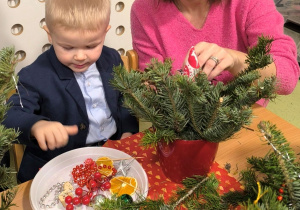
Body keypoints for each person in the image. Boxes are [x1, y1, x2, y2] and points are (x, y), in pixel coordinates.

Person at [3, 0, 139, 183]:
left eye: (91, 46)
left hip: (111, 156)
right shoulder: (34, 75)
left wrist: (128, 132)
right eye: (68, 47)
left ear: (105, 32)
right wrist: (36, 125)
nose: (80, 56)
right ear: (50, 35)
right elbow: (9, 116)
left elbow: (125, 98)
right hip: (59, 168)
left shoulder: (112, 58)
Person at [131, 0, 300, 106]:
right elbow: (154, 87)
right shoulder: (144, 9)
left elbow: (287, 77)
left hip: (245, 121)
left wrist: (235, 61)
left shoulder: (250, 3)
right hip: (183, 130)